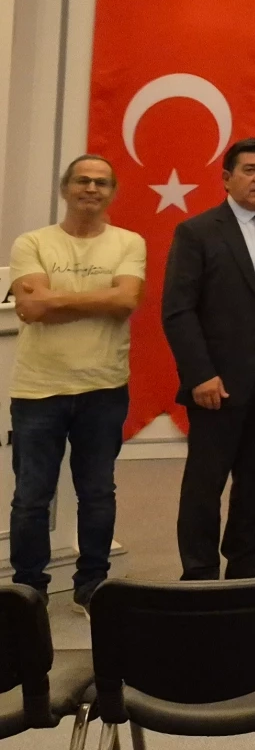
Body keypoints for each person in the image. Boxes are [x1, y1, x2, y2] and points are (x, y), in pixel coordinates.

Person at [163, 139, 255, 580]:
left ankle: (245, 557)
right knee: (207, 479)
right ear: (227, 178)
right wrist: (200, 374)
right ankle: (200, 568)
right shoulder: (198, 231)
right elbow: (178, 311)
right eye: (250, 169)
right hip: (219, 378)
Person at [8, 156, 144, 611]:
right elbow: (31, 309)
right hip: (38, 391)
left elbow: (126, 301)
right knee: (31, 498)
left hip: (103, 387)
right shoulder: (32, 242)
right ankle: (29, 590)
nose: (91, 189)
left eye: (101, 183)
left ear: (112, 192)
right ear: (65, 188)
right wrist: (100, 298)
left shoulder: (129, 242)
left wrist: (55, 298)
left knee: (98, 493)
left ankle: (92, 584)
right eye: (82, 181)